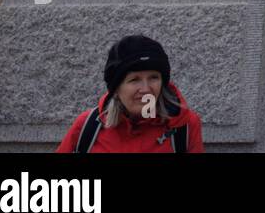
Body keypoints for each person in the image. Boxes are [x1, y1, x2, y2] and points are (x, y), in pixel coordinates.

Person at [56, 34, 204, 153]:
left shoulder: (184, 126)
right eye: (134, 79)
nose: (146, 89)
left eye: (154, 77)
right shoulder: (87, 126)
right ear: (116, 88)